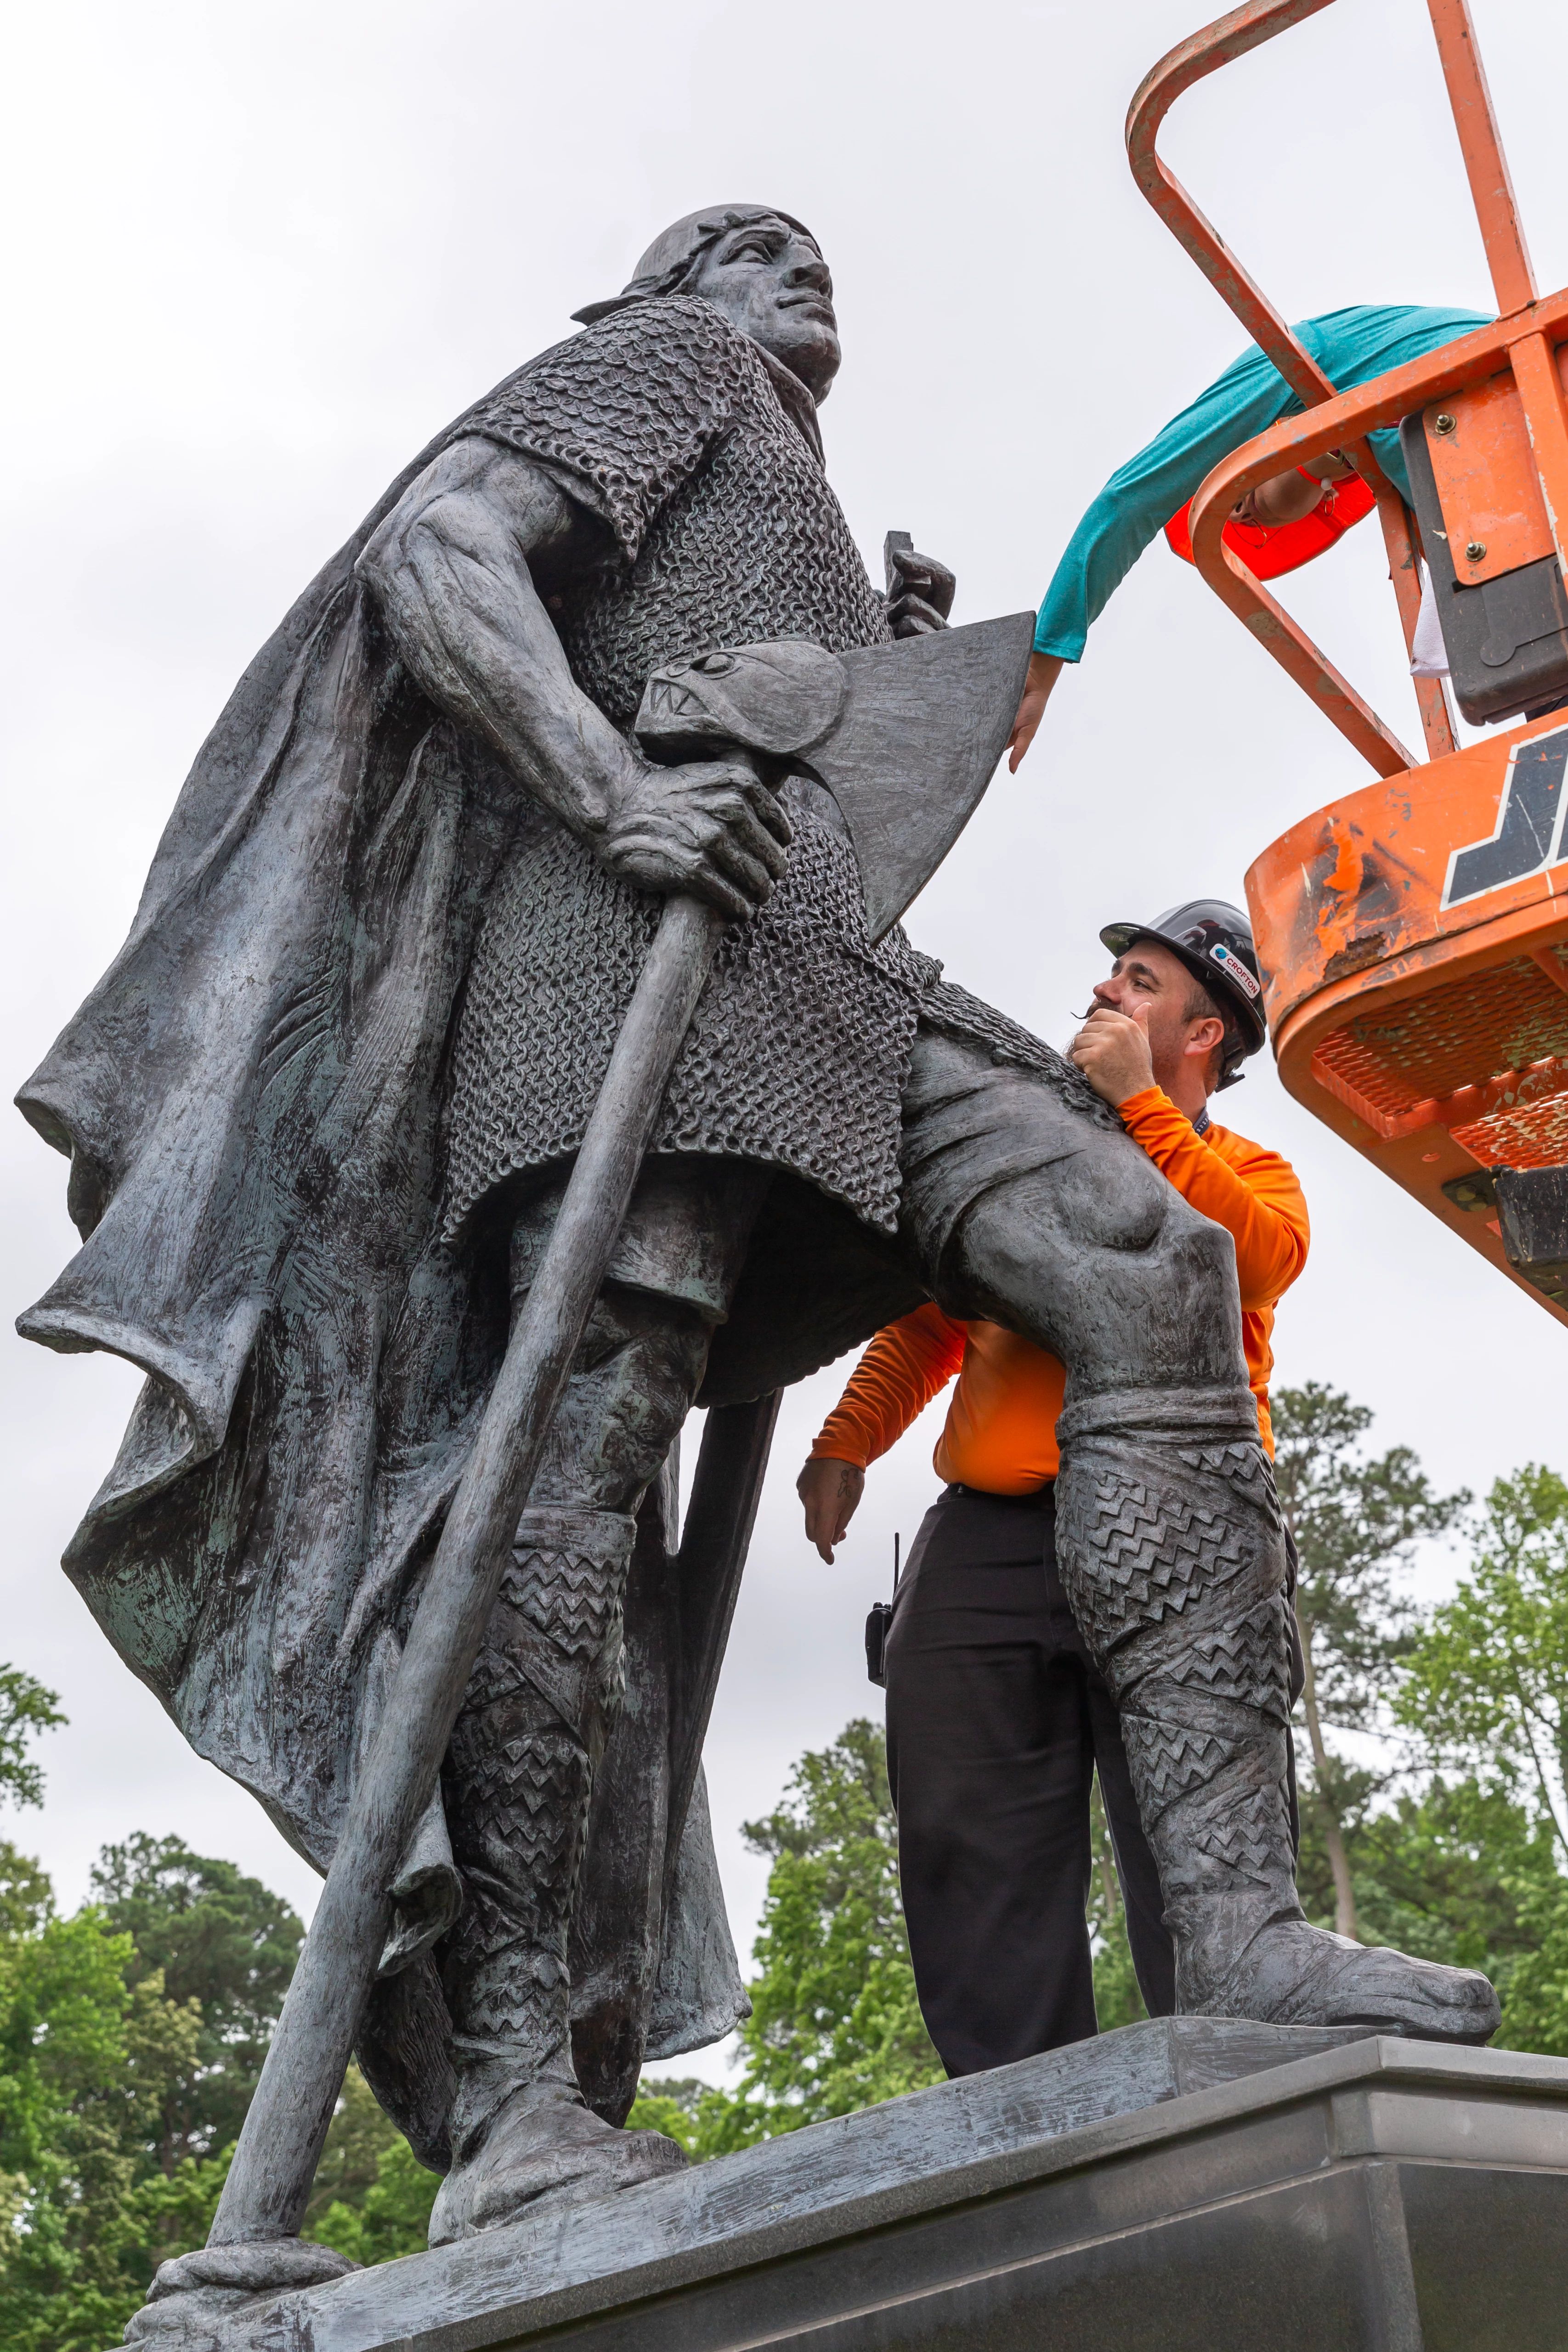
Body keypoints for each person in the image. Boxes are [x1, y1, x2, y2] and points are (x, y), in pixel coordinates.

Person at [19, 215, 1496, 2262]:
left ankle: (1234, 1918)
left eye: (815, 259)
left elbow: (815, 750)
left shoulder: (771, 463)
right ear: (666, 281)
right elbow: (438, 554)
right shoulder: (661, 366)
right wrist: (606, 782)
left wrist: (881, 673)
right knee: (577, 1457)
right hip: (625, 947)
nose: (801, 272)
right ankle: (522, 2085)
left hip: (813, 964)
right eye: (751, 245)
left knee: (1149, 1257)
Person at [799, 904, 1311, 2075]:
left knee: (1192, 1839)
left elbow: (1239, 1253)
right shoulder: (1026, 1149)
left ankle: (1240, 2089)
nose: (1101, 995)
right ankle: (1021, 2115)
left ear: (1200, 1033)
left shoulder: (1251, 1175)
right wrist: (846, 1440)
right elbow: (934, 1317)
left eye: (1135, 984)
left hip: (1172, 1536)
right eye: (1109, 976)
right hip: (988, 1538)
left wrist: (1137, 1108)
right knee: (961, 1828)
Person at [1008, 302, 1489, 766]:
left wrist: (1044, 656)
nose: (1233, 513)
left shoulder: (1299, 362)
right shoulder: (1395, 460)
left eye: (1223, 481)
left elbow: (1131, 499)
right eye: (1250, 526)